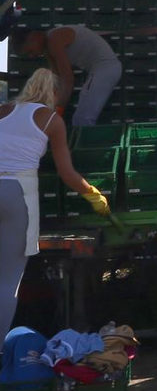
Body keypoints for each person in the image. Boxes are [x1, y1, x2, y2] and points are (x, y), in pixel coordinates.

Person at [0, 69, 108, 336]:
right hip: (19, 194)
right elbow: (67, 174)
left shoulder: (2, 110)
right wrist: (94, 195)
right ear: (55, 93)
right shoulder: (51, 120)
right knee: (6, 282)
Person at [12, 24, 122, 127]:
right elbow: (57, 82)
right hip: (103, 70)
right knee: (81, 119)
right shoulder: (49, 49)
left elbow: (68, 81)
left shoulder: (54, 39)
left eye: (30, 51)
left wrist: (57, 111)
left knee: (83, 120)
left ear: (34, 38)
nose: (32, 56)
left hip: (106, 68)